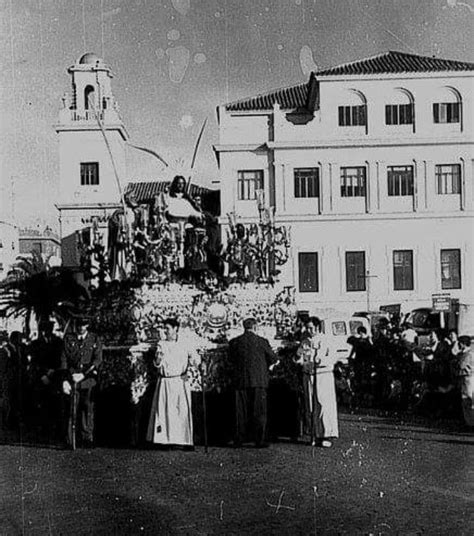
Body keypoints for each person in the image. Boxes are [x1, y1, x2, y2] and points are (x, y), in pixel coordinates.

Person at [147, 318, 198, 449]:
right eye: (164, 328)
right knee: (165, 411)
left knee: (181, 411)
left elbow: (195, 358)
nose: (165, 331)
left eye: (167, 328)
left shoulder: (185, 343)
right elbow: (158, 364)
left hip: (180, 381)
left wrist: (198, 363)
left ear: (176, 329)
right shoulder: (161, 344)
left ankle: (183, 441)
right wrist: (157, 360)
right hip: (166, 381)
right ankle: (165, 440)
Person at [228, 317, 278, 448]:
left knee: (240, 412)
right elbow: (273, 358)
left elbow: (230, 359)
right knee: (258, 412)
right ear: (255, 327)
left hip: (240, 380)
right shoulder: (262, 341)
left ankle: (239, 439)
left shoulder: (234, 342)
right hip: (259, 380)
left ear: (244, 327)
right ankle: (259, 440)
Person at [296, 317, 338, 447]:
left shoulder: (327, 340)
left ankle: (326, 435)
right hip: (309, 375)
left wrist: (322, 360)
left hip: (323, 375)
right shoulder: (305, 342)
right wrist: (299, 358)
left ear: (318, 327)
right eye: (307, 328)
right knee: (310, 404)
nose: (309, 330)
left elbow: (333, 357)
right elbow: (300, 358)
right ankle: (314, 435)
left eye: (311, 328)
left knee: (323, 404)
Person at [61, 315, 103, 448]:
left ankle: (87, 438)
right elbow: (64, 360)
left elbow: (97, 360)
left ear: (87, 326)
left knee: (87, 408)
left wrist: (83, 374)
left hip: (88, 380)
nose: (81, 327)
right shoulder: (69, 339)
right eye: (79, 325)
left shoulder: (94, 339)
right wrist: (65, 379)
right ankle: (70, 439)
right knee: (71, 409)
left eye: (84, 325)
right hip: (72, 379)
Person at [29, 320, 64, 436]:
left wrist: (53, 371)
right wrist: (42, 374)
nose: (45, 332)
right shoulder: (35, 344)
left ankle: (55, 429)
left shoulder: (58, 342)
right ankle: (43, 429)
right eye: (44, 330)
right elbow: (34, 362)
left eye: (48, 329)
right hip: (41, 377)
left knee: (55, 402)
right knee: (41, 403)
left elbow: (62, 360)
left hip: (55, 375)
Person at [451, 335, 473, 428]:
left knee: (467, 401)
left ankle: (470, 422)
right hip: (467, 378)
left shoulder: (467, 354)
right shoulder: (467, 353)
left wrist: (455, 361)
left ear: (463, 344)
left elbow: (460, 365)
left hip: (467, 378)